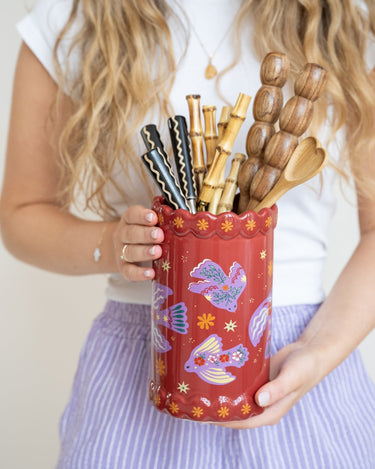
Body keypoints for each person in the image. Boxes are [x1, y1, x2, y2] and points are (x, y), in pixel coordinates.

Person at [1, 0, 375, 467]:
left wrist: (318, 352)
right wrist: (112, 245)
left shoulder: (342, 19)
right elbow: (22, 214)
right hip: (140, 364)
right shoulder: (74, 19)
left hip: (303, 360)